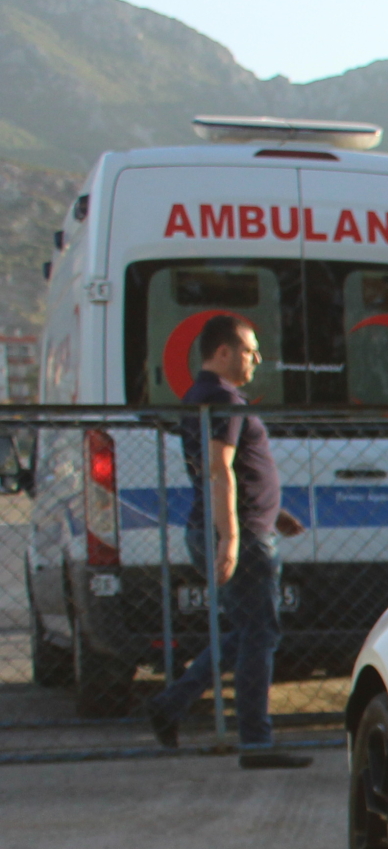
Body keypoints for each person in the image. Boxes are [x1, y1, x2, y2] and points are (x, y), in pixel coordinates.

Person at [142, 314, 309, 768]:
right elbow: (218, 469)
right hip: (239, 536)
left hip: (244, 527)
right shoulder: (220, 398)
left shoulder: (207, 396)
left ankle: (170, 704)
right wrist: (232, 538)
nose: (257, 358)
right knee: (260, 634)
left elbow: (235, 472)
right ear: (223, 352)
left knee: (248, 630)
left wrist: (276, 514)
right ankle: (255, 742)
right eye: (250, 349)